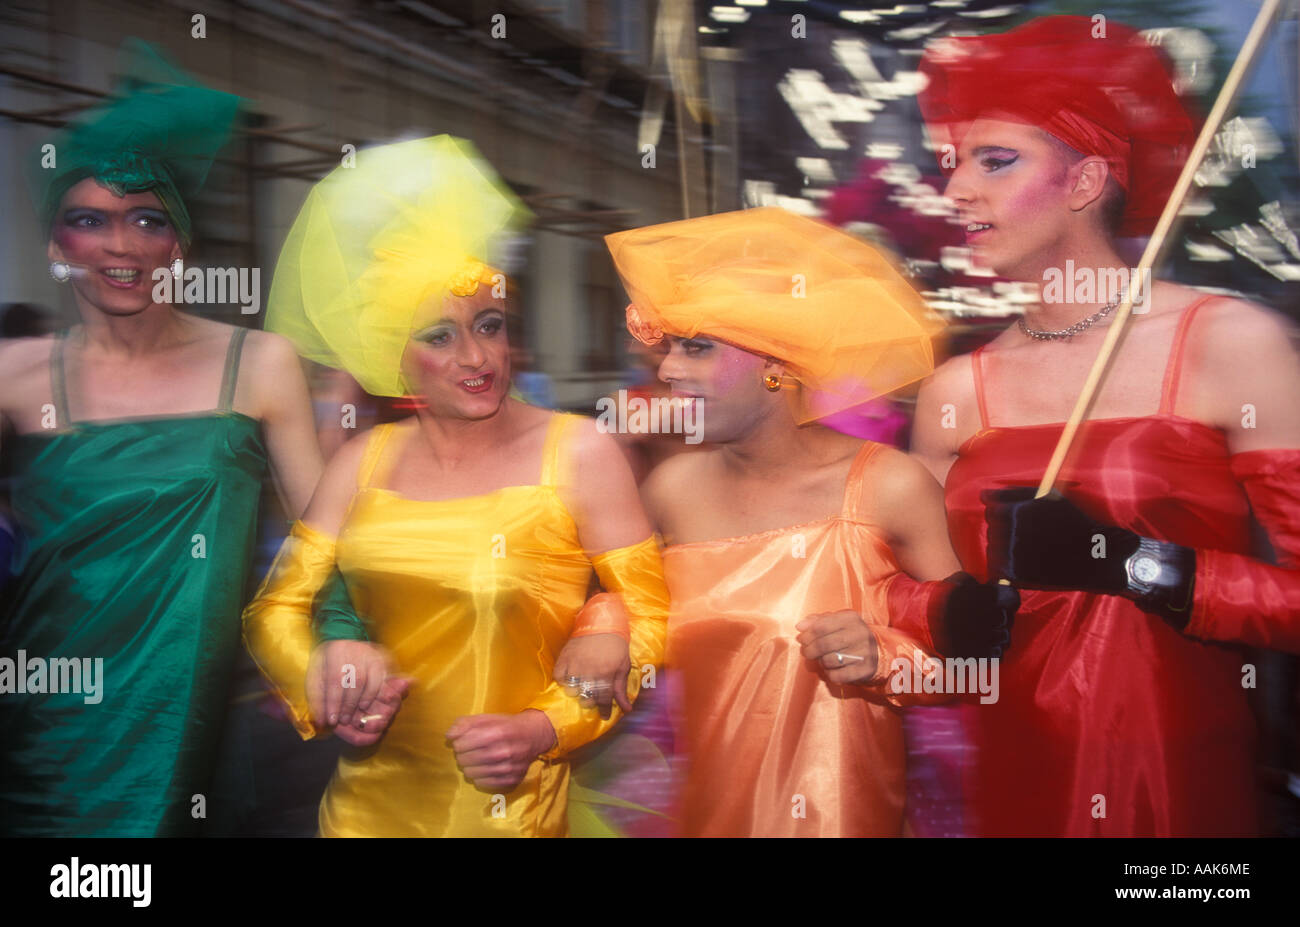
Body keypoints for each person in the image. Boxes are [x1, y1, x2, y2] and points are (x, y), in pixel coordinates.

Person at [913, 15, 1300, 836]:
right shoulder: (955, 389)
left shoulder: (1229, 343)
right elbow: (913, 607)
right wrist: (940, 614)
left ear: (1086, 181)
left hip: (1180, 807)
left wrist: (1145, 567)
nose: (955, 192)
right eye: (955, 165)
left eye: (996, 161)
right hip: (1008, 792)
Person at [241, 135, 669, 837]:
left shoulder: (579, 452)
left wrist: (544, 726)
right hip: (359, 816)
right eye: (439, 337)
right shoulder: (363, 462)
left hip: (512, 815)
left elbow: (648, 618)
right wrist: (324, 670)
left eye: (490, 326)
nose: (476, 357)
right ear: (392, 357)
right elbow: (276, 607)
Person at [597, 206, 1016, 837]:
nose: (667, 370)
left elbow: (977, 670)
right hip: (703, 816)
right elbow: (621, 617)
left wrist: (885, 659)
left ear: (777, 364)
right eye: (669, 348)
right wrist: (596, 631)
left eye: (697, 348)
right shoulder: (670, 490)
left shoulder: (888, 487)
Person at [0, 41, 326, 836]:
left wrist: (343, 650)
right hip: (43, 746)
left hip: (199, 741)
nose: (121, 245)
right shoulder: (11, 374)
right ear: (56, 246)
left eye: (148, 218)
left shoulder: (260, 363)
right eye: (89, 220)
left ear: (179, 243)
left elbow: (329, 540)